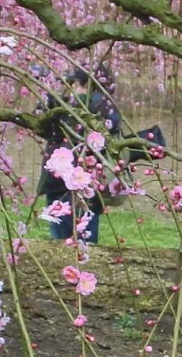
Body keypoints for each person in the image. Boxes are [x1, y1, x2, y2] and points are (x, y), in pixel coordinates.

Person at [36, 67, 122, 243]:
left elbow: (42, 125)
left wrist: (51, 100)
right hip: (90, 181)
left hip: (61, 181)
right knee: (86, 235)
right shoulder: (107, 108)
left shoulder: (73, 105)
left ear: (81, 83)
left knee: (62, 239)